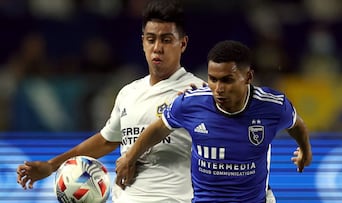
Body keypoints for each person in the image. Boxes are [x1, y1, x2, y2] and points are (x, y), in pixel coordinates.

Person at [17, 0, 204, 202]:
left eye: (166, 40)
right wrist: (51, 166)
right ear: (143, 42)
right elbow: (106, 140)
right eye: (151, 39)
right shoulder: (128, 93)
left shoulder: (198, 92)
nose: (157, 48)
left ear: (182, 44)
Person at [115, 40, 313, 203]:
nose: (218, 88)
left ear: (248, 76)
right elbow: (160, 127)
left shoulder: (273, 106)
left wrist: (305, 149)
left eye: (227, 80)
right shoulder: (190, 103)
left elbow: (296, 125)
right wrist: (129, 158)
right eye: (213, 79)